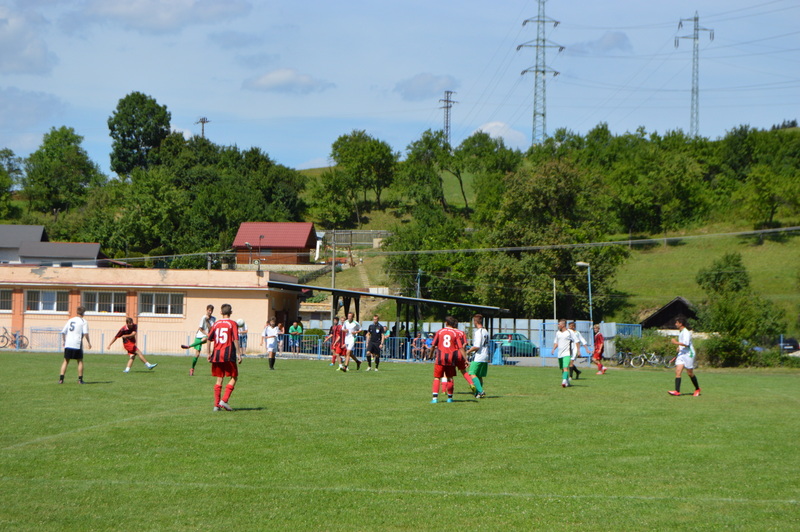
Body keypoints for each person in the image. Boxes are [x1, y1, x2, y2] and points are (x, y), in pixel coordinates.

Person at [206, 304, 241, 411]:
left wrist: (208, 353)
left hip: (216, 355)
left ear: (221, 312)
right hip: (228, 354)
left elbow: (209, 339)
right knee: (234, 377)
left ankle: (216, 405)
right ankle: (224, 401)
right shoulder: (233, 324)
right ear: (231, 312)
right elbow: (235, 339)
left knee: (219, 378)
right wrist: (239, 354)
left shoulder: (216, 324)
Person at [430, 316, 466, 403]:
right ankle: (450, 398)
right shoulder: (455, 333)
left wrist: (430, 354)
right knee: (450, 378)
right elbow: (460, 347)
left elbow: (433, 345)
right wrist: (465, 359)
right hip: (451, 358)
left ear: (446, 323)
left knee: (437, 378)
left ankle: (435, 398)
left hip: (440, 358)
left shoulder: (439, 332)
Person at [668, 317, 701, 397]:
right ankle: (677, 391)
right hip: (682, 354)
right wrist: (679, 347)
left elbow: (686, 344)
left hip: (689, 354)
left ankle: (697, 389)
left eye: (677, 323)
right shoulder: (681, 332)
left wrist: (675, 342)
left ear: (681, 324)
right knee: (678, 371)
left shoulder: (686, 332)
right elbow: (683, 344)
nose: (675, 324)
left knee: (690, 373)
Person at [59, 306, 91, 384]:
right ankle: (80, 380)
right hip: (77, 343)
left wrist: (64, 341)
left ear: (77, 312)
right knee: (80, 361)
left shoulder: (70, 320)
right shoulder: (83, 321)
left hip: (68, 343)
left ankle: (61, 379)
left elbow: (63, 332)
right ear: (83, 313)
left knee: (66, 361)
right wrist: (89, 342)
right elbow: (85, 333)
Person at [184, 305, 216, 376]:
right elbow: (200, 328)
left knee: (206, 339)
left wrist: (208, 322)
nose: (210, 312)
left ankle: (189, 346)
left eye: (211, 311)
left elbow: (211, 329)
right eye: (209, 310)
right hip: (199, 336)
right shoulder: (203, 317)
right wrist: (207, 334)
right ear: (206, 310)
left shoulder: (213, 319)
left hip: (206, 336)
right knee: (197, 354)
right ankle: (192, 369)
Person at [465, 314, 489, 398]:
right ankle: (478, 393)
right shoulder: (485, 331)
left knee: (472, 373)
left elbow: (477, 346)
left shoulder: (479, 332)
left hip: (479, 356)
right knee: (479, 376)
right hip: (485, 355)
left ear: (475, 322)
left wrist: (468, 351)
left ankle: (481, 391)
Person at [552, 319, 573, 388]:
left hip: (567, 353)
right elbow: (556, 342)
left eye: (559, 324)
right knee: (562, 369)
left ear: (563, 325)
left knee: (565, 367)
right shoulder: (558, 333)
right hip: (560, 354)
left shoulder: (569, 332)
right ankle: (567, 381)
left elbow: (576, 341)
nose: (558, 325)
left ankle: (564, 381)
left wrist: (577, 350)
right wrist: (553, 349)